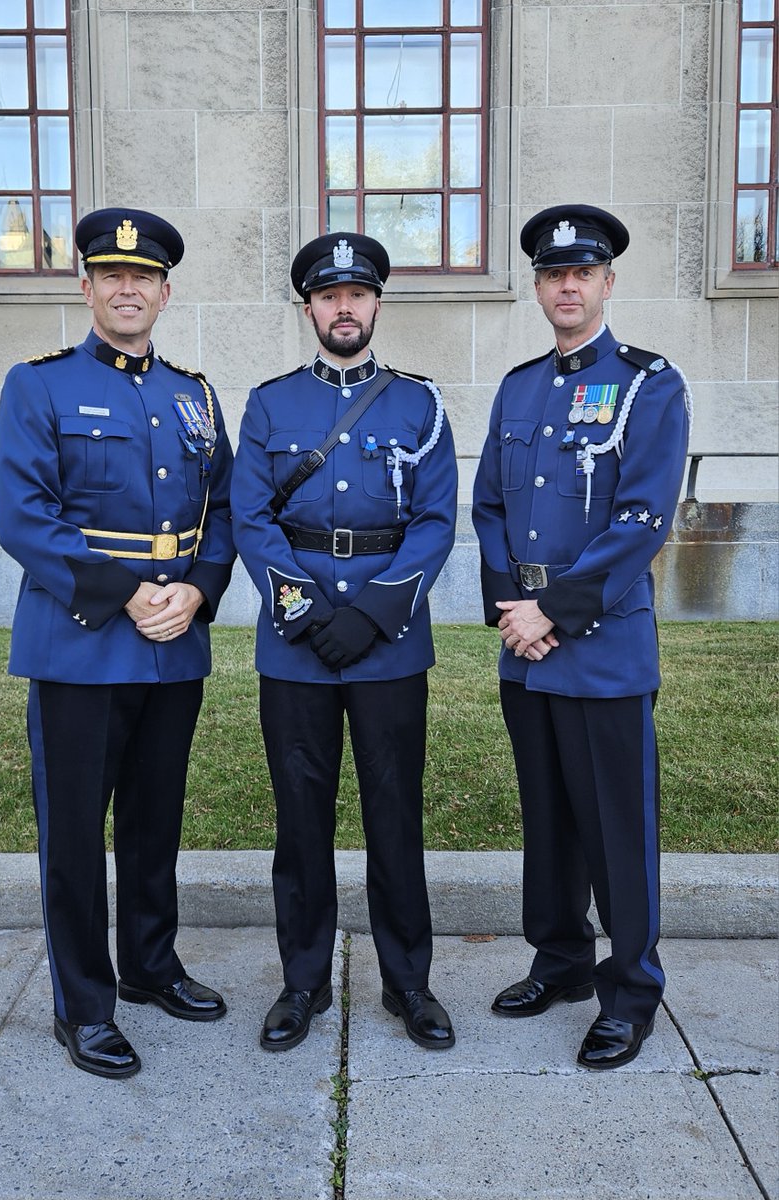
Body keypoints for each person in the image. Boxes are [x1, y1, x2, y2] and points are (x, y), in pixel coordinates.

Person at [0, 208, 235, 1079]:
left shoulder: (195, 395)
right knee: (73, 835)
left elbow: (223, 510)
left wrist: (198, 591)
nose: (128, 290)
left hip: (173, 643)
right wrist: (129, 593)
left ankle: (151, 967)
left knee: (154, 821)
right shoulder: (39, 385)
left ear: (166, 293)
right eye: (112, 276)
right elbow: (24, 517)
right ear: (87, 287)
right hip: (81, 642)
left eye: (144, 278)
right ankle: (85, 1007)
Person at [472, 205, 692, 1069]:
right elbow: (490, 505)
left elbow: (642, 519)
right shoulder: (520, 386)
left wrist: (552, 612)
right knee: (549, 820)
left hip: (599, 648)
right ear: (537, 288)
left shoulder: (648, 385)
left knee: (615, 830)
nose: (567, 287)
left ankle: (630, 990)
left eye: (582, 273)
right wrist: (510, 609)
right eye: (553, 274)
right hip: (524, 647)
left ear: (607, 283)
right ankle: (560, 961)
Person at [231, 232, 458, 1051]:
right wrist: (300, 610)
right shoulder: (270, 404)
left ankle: (409, 982)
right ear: (310, 310)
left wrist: (373, 613)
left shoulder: (419, 405)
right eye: (329, 296)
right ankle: (303, 982)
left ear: (376, 304)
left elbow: (435, 520)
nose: (344, 307)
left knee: (395, 813)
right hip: (295, 645)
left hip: (388, 641)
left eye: (357, 294)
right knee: (301, 819)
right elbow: (250, 517)